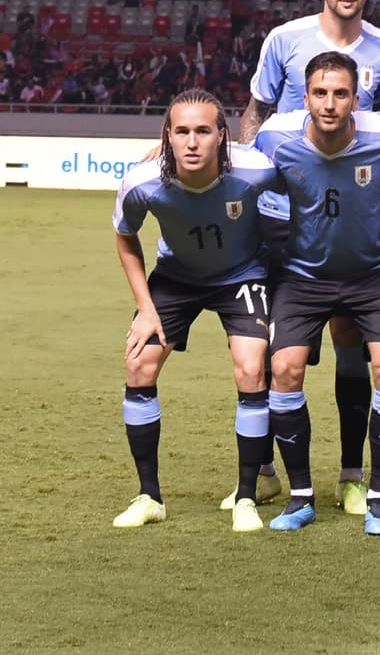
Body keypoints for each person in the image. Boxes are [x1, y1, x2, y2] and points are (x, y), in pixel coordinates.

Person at [237, 0, 380, 518]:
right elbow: (254, 114)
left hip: (347, 219)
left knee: (350, 342)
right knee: (267, 350)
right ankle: (261, 470)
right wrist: (249, 180)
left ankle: (352, 474)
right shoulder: (285, 39)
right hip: (281, 219)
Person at [252, 52, 380, 533]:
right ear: (305, 96)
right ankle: (300, 498)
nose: (329, 103)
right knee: (284, 370)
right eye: (320, 93)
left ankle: (378, 501)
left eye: (341, 94)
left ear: (356, 98)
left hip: (373, 275)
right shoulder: (276, 136)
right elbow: (237, 165)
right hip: (303, 277)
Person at [110, 89, 278, 533]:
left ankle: (247, 496)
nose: (191, 141)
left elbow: (301, 187)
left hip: (242, 274)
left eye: (202, 131)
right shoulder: (142, 182)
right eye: (181, 131)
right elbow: (125, 236)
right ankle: (149, 496)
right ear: (166, 135)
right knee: (139, 362)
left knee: (251, 367)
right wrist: (145, 308)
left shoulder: (255, 170)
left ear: (222, 136)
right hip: (177, 276)